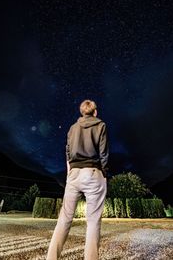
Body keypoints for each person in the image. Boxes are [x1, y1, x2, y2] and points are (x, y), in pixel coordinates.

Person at [46, 99, 109, 260]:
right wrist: (104, 173)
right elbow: (103, 153)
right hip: (93, 172)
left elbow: (67, 152)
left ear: (82, 112)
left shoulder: (72, 128)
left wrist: (70, 172)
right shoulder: (100, 125)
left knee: (64, 219)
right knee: (93, 221)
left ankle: (51, 258)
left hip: (74, 174)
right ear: (95, 112)